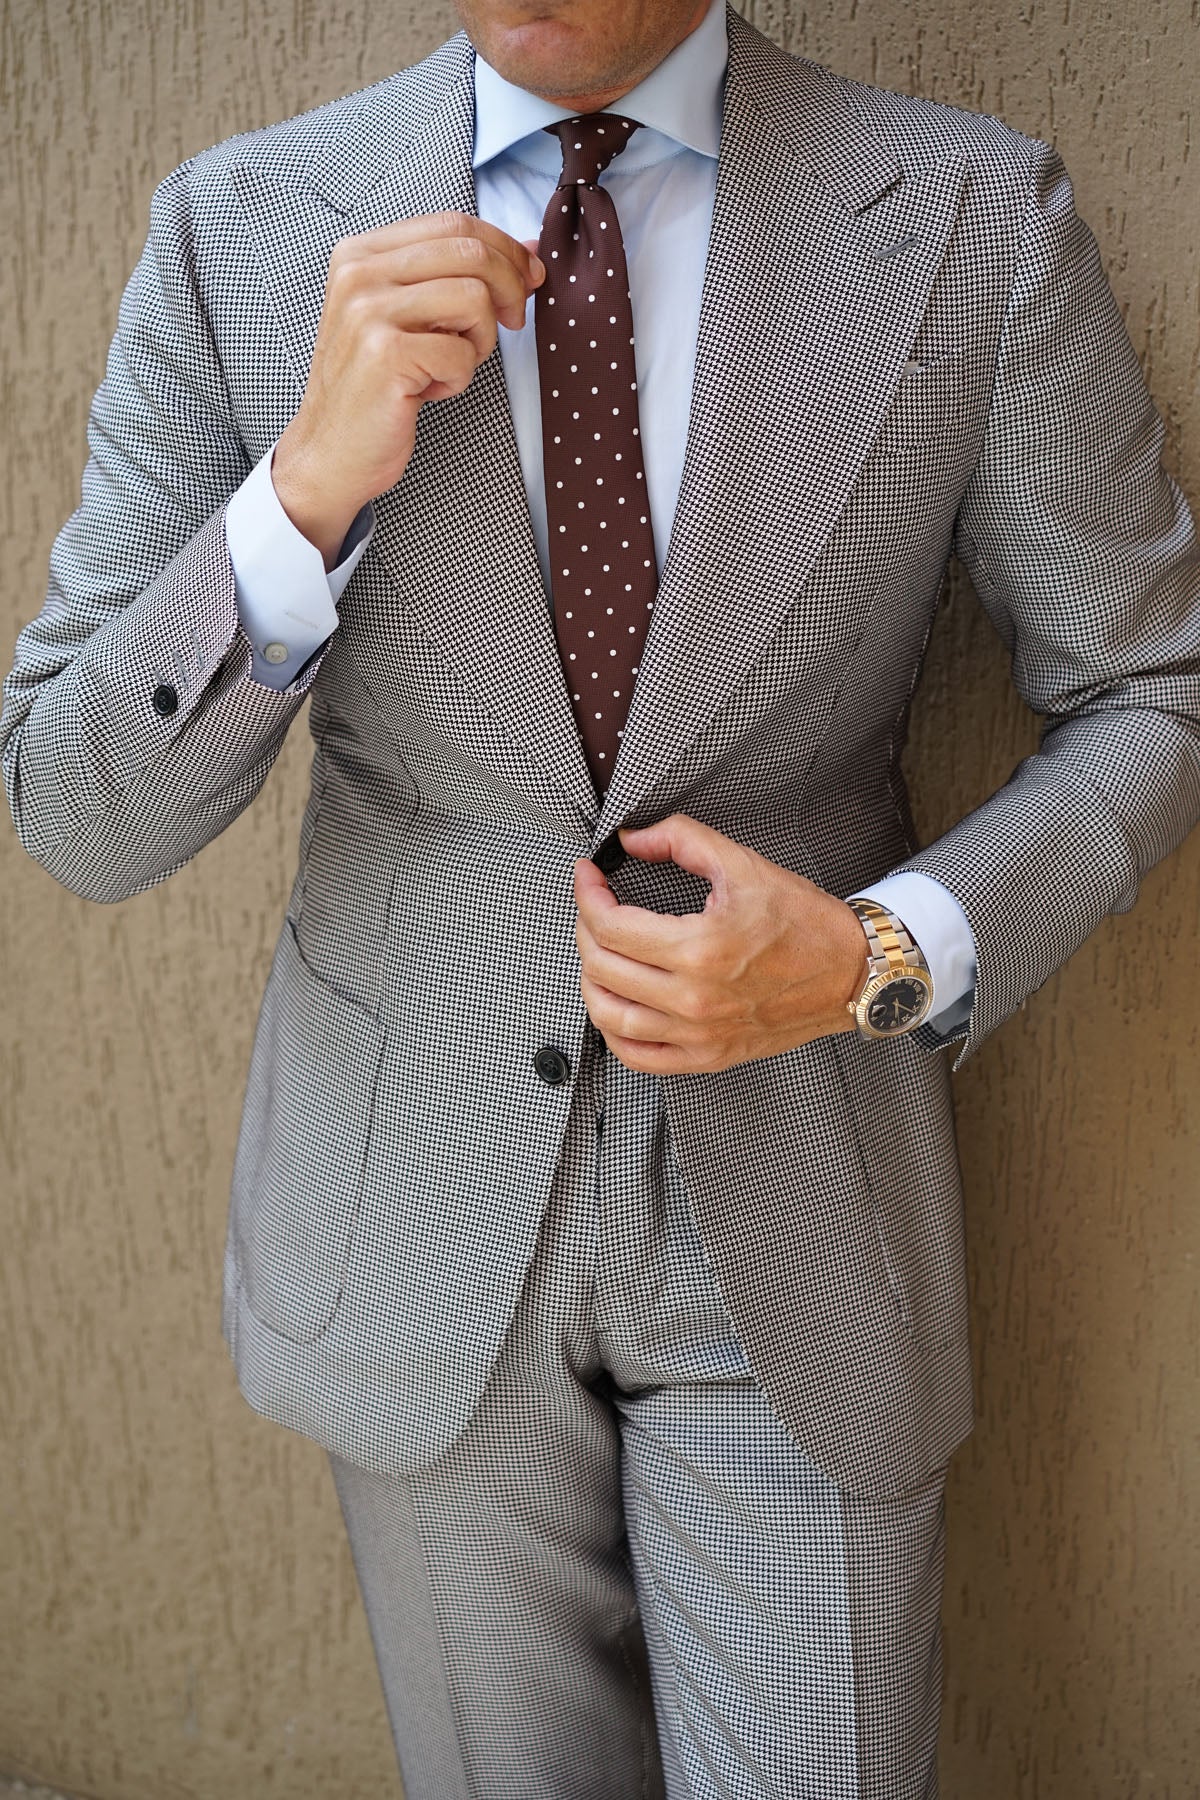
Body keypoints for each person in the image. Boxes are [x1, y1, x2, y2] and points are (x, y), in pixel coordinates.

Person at [3, 0, 1198, 1792]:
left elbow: (1153, 690)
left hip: (800, 1210)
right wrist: (296, 500)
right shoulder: (240, 229)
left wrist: (882, 954)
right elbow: (73, 816)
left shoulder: (966, 218)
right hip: (411, 1224)